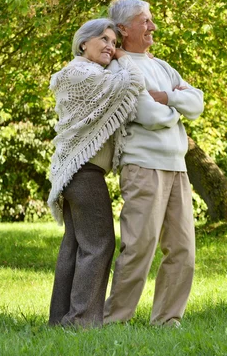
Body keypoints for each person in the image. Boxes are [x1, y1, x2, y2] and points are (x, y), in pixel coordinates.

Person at [47, 18, 178, 327]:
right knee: (99, 244)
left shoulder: (88, 73)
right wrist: (124, 58)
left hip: (78, 170)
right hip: (83, 171)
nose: (110, 47)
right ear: (83, 43)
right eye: (104, 40)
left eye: (114, 43)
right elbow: (132, 83)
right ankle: (81, 321)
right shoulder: (81, 72)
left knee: (76, 245)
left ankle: (61, 319)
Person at [103, 0, 204, 328]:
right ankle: (115, 320)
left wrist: (169, 99)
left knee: (183, 251)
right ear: (123, 29)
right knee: (139, 247)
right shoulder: (121, 68)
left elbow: (198, 102)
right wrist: (176, 108)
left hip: (177, 166)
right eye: (144, 21)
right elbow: (148, 114)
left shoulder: (162, 67)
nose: (152, 26)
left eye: (151, 20)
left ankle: (167, 321)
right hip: (143, 166)